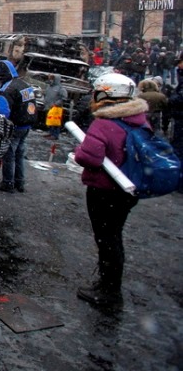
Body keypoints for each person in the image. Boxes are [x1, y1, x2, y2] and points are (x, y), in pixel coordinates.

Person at [73, 73, 147, 307]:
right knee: (114, 236)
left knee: (107, 239)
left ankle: (110, 291)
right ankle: (107, 283)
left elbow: (89, 157)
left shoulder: (104, 122)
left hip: (105, 190)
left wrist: (79, 150)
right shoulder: (138, 118)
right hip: (127, 190)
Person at [0, 59, 37, 193]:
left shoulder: (6, 89)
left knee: (8, 155)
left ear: (1, 75)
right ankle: (19, 182)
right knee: (19, 155)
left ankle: (8, 183)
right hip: (27, 125)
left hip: (15, 127)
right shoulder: (24, 84)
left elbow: (2, 113)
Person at [43, 74, 69, 140]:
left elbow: (64, 98)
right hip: (48, 106)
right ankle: (50, 133)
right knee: (50, 120)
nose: (50, 80)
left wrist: (56, 104)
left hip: (56, 108)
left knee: (55, 122)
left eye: (52, 78)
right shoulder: (49, 86)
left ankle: (55, 135)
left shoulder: (61, 88)